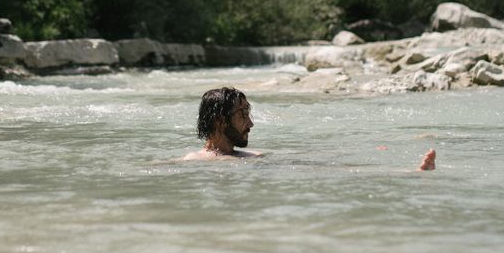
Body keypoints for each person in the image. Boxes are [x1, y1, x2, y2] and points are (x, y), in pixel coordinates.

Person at [182, 86, 436, 171]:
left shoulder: (253, 157)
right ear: (219, 122)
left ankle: (408, 172)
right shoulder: (194, 161)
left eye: (249, 113)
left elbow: (315, 167)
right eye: (242, 114)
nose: (251, 123)